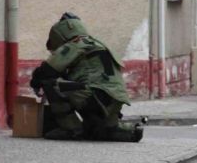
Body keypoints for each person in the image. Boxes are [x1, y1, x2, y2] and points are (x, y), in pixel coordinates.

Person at [30, 13, 144, 142]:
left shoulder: (77, 43)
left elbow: (48, 69)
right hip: (114, 100)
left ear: (60, 34)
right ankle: (125, 131)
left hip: (95, 97)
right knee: (105, 132)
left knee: (50, 83)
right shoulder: (96, 44)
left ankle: (71, 129)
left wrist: (35, 82)